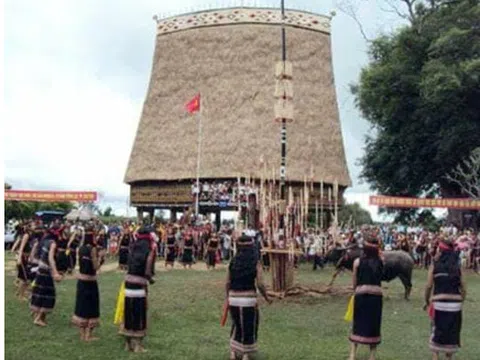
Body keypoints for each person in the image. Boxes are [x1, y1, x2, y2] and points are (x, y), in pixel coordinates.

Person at [225, 234, 271, 360]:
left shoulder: (233, 261)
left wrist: (227, 298)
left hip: (233, 297)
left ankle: (233, 353)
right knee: (249, 325)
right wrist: (266, 297)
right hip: (248, 299)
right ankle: (246, 354)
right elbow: (260, 284)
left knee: (237, 324)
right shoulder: (255, 262)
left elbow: (227, 282)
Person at [424, 238, 466, 360]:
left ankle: (435, 355)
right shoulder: (457, 266)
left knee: (436, 331)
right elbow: (463, 287)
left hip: (439, 303)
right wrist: (461, 300)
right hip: (455, 304)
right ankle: (449, 357)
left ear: (440, 250)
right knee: (452, 331)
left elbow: (428, 286)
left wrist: (427, 300)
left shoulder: (435, 265)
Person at [120, 226, 156, 353]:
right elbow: (147, 271)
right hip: (139, 284)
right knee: (139, 313)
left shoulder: (132, 247)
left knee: (128, 312)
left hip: (128, 283)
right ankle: (138, 346)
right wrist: (151, 280)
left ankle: (127, 344)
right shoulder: (150, 250)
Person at [349, 237, 383, 360]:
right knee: (374, 324)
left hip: (361, 294)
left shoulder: (357, 262)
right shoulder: (381, 261)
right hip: (376, 296)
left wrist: (356, 291)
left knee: (357, 323)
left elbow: (354, 282)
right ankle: (372, 356)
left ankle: (352, 355)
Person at [72, 224, 101, 341]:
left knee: (81, 306)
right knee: (91, 307)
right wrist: (101, 259)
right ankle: (88, 335)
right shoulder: (92, 249)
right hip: (90, 281)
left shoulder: (81, 248)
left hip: (81, 281)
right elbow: (95, 266)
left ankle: (82, 334)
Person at [30, 226, 63, 327]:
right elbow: (51, 258)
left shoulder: (43, 242)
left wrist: (40, 264)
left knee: (39, 293)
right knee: (48, 295)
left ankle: (40, 317)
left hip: (40, 270)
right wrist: (55, 272)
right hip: (46, 272)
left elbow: (32, 258)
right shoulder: (52, 243)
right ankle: (38, 318)